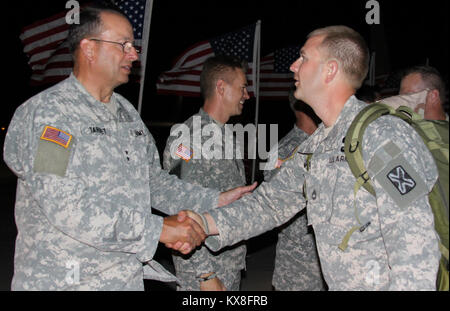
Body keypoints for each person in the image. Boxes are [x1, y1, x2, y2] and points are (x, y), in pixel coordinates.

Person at [3, 4, 254, 291]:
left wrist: (213, 200)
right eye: (123, 45)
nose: (134, 54)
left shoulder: (126, 114)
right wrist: (158, 229)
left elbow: (153, 182)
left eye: (133, 46)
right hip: (65, 280)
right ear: (89, 49)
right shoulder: (50, 115)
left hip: (123, 278)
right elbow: (64, 204)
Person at [182, 25, 441, 290]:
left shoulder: (381, 135)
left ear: (330, 70)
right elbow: (269, 204)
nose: (293, 66)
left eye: (303, 58)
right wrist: (202, 223)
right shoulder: (316, 145)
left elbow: (414, 242)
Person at [163, 55, 250, 291]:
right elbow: (181, 210)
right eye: (242, 88)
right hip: (205, 273)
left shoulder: (224, 135)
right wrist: (205, 275)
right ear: (221, 87)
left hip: (227, 265)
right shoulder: (190, 137)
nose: (247, 95)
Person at [264, 90, 325, 291]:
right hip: (298, 263)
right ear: (304, 107)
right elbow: (273, 203)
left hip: (327, 258)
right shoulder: (283, 150)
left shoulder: (325, 143)